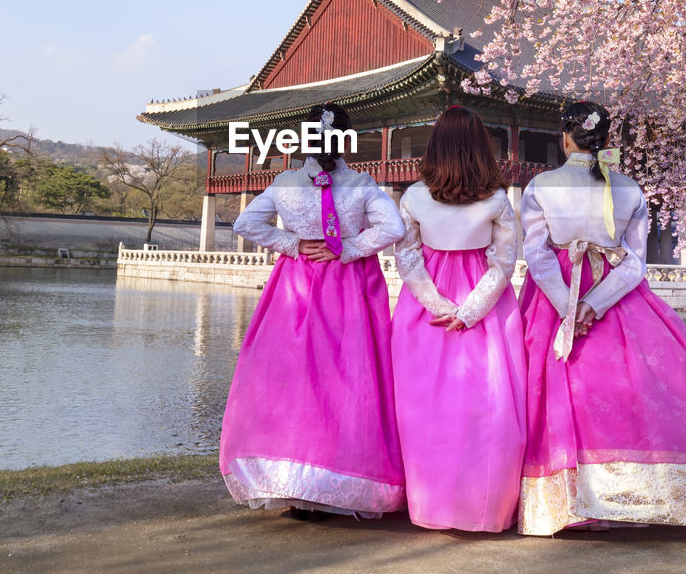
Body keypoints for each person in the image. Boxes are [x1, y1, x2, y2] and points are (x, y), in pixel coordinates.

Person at [517, 101, 686, 536]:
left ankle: (565, 501)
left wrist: (568, 305)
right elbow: (635, 263)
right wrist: (594, 304)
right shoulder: (629, 189)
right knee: (637, 389)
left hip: (555, 296)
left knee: (558, 389)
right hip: (617, 296)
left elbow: (538, 254)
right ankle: (639, 495)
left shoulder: (541, 185)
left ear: (565, 137)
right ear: (605, 140)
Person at [220, 104, 407, 518]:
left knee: (293, 379)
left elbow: (245, 225)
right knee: (345, 379)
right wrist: (347, 248)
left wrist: (294, 245)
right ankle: (340, 481)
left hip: (297, 285)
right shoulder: (361, 184)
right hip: (346, 286)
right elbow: (394, 228)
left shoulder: (285, 182)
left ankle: (289, 480)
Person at [391, 105, 526, 532]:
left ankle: (428, 502)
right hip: (486, 308)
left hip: (425, 306)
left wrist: (439, 305)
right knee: (487, 406)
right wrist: (470, 310)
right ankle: (485, 507)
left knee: (423, 406)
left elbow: (407, 258)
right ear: (481, 149)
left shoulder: (413, 196)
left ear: (435, 146)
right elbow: (504, 264)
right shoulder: (497, 200)